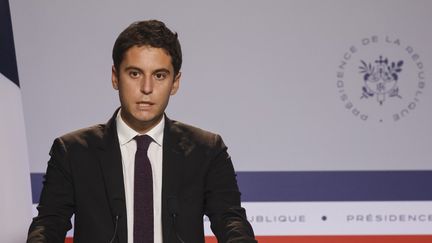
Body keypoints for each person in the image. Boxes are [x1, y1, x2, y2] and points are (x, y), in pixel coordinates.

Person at [27, 20, 256, 243]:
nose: (147, 88)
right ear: (115, 77)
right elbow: (48, 226)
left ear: (175, 82)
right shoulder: (72, 152)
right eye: (135, 73)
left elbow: (231, 222)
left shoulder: (207, 150)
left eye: (159, 75)